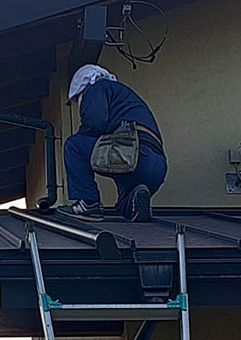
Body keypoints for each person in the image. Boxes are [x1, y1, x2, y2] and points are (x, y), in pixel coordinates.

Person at [56, 64, 168, 222]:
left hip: (132, 153)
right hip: (156, 166)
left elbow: (95, 123)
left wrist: (82, 136)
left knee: (74, 145)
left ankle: (88, 204)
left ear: (82, 89)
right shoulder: (123, 96)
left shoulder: (96, 88)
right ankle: (136, 199)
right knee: (125, 204)